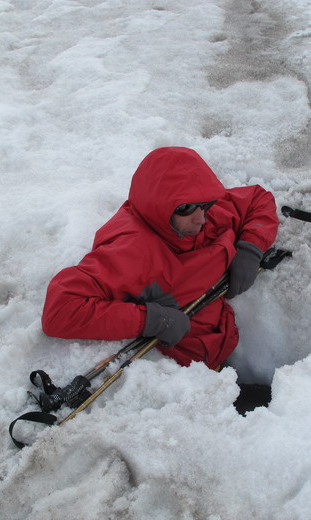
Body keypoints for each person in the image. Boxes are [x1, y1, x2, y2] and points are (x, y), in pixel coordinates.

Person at [41, 146, 279, 373]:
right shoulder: (130, 253)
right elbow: (60, 309)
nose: (201, 219)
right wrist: (150, 320)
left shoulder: (208, 215)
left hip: (221, 344)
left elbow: (258, 199)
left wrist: (250, 247)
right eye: (186, 207)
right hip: (181, 376)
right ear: (160, 206)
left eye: (205, 204)